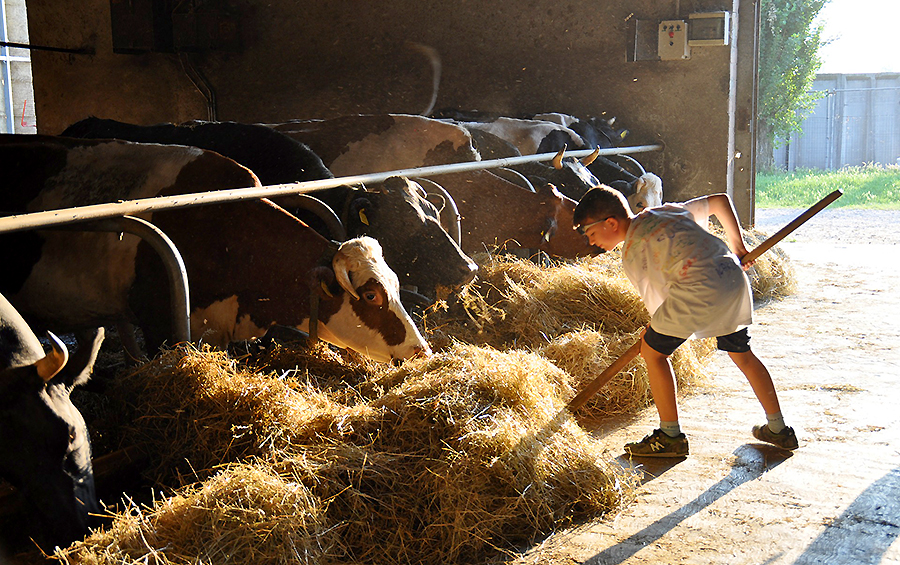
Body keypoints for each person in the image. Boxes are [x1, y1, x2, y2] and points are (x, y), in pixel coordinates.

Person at [573, 186, 798, 457]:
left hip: (698, 288)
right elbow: (719, 201)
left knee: (653, 353)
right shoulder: (664, 211)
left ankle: (670, 436)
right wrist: (738, 245)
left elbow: (657, 299)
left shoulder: (633, 252)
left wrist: (654, 331)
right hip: (731, 278)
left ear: (611, 223)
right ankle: (779, 428)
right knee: (743, 354)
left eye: (591, 233)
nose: (591, 242)